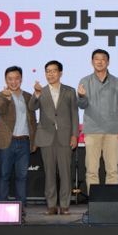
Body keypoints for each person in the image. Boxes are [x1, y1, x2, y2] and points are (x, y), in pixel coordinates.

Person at [28, 60, 79, 215]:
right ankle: (51, 205)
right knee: (49, 173)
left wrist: (75, 135)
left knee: (65, 174)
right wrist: (36, 94)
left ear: (60, 73)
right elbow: (31, 107)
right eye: (48, 71)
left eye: (53, 71)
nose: (50, 74)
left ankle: (64, 205)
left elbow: (74, 115)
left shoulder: (69, 91)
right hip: (46, 137)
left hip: (65, 137)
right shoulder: (41, 91)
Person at [77, 49, 118, 193]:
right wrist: (81, 96)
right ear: (92, 62)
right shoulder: (85, 81)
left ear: (108, 62)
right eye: (96, 59)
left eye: (103, 59)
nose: (99, 62)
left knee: (112, 170)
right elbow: (82, 105)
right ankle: (94, 201)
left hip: (112, 132)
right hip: (92, 131)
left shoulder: (117, 82)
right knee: (91, 169)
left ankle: (110, 201)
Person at [0, 66, 37, 211]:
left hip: (24, 142)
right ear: (6, 80)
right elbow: (1, 110)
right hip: (7, 142)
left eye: (17, 78)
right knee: (4, 176)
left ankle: (20, 209)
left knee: (22, 177)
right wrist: (7, 98)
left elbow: (33, 120)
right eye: (10, 79)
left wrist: (34, 141)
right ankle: (1, 209)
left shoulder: (28, 96)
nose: (13, 81)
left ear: (21, 79)